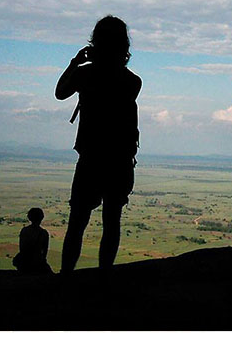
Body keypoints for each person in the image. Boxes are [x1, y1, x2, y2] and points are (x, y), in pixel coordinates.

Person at [55, 15, 142, 273]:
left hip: (91, 159)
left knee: (77, 223)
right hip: (120, 160)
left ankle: (66, 278)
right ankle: (105, 277)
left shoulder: (85, 75)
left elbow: (60, 92)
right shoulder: (133, 82)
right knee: (111, 222)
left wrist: (76, 62)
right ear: (124, 45)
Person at [12, 208, 53, 275]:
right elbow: (44, 252)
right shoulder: (44, 233)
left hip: (24, 263)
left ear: (29, 218)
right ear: (42, 218)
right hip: (38, 263)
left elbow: (22, 249)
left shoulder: (24, 231)